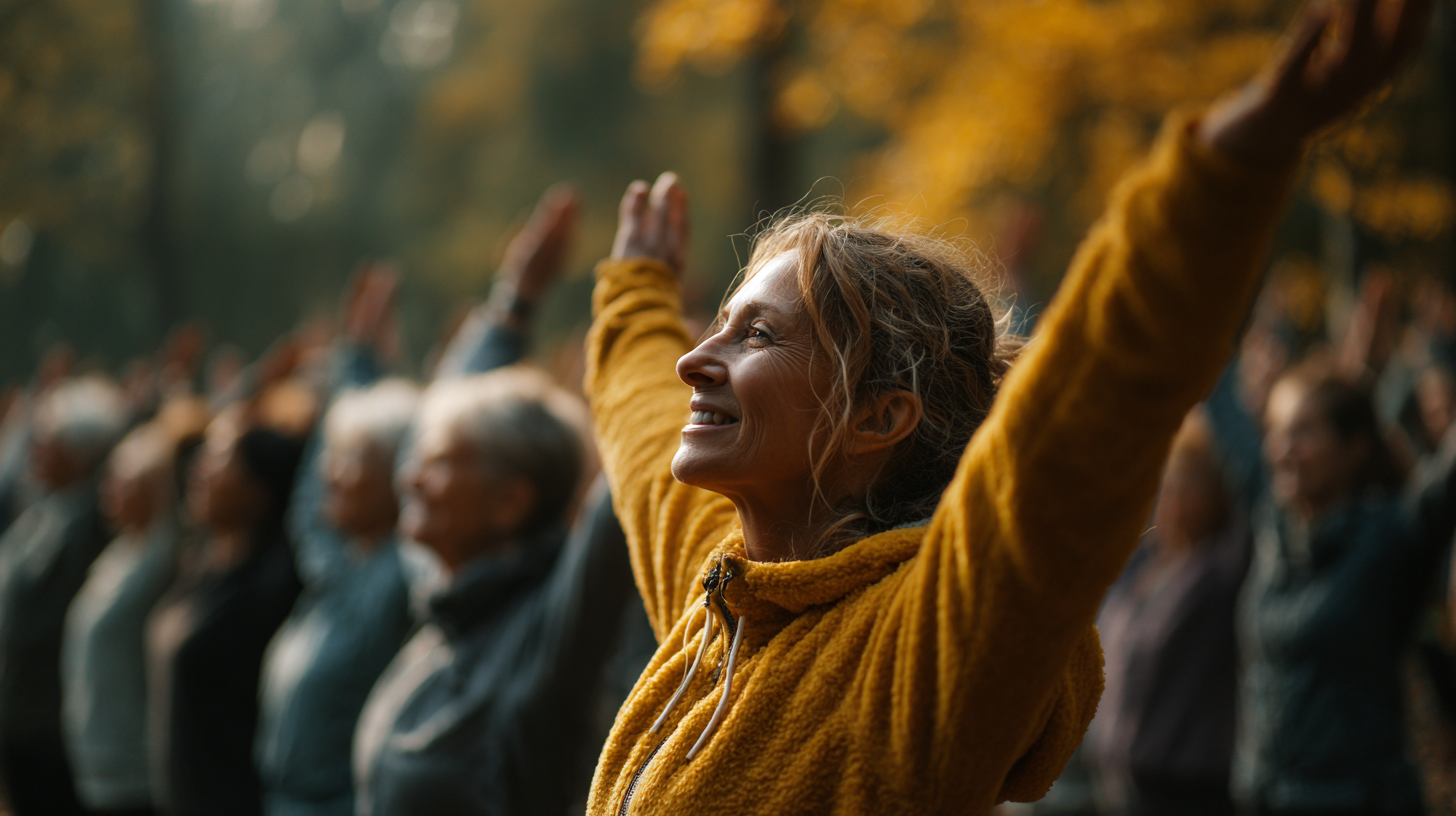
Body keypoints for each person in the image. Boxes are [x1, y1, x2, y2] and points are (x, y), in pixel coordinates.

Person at [578, 2, 1431, 813]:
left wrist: (1222, 175)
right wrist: (635, 299)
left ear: (880, 416)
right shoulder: (729, 588)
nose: (696, 360)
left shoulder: (917, 657)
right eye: (714, 328)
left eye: (754, 334)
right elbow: (645, 437)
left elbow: (1075, 438)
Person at [256, 186, 580, 816]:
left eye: (357, 464)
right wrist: (353, 366)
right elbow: (313, 498)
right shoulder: (344, 567)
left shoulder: (409, 578)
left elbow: (434, 435)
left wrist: (513, 304)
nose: (333, 479)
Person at [353, 369, 637, 816]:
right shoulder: (448, 608)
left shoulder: (548, 638)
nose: (409, 479)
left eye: (438, 462)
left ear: (509, 502)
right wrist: (511, 307)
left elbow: (627, 478)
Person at [1232, 363, 1452, 816]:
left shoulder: (1389, 538)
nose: (1280, 450)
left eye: (1302, 433)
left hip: (1356, 797)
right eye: (1275, 431)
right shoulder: (1272, 531)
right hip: (1264, 794)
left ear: (1354, 448)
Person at [147, 401, 307, 816]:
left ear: (258, 493)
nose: (198, 470)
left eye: (220, 460)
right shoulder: (203, 569)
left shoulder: (267, 597)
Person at [1089, 410, 1250, 816]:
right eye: (1166, 481)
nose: (1172, 494)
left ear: (1216, 491)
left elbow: (1251, 474)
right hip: (1120, 787)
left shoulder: (1222, 569)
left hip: (1189, 793)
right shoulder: (1140, 564)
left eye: (1187, 482)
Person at [61, 407, 205, 816]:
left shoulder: (160, 559)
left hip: (134, 775)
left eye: (123, 481)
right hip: (94, 766)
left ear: (156, 490)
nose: (108, 490)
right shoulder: (119, 554)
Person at [0, 375, 129, 816]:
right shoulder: (45, 507)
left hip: (51, 728)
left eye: (46, 440)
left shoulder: (94, 520)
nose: (34, 449)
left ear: (79, 454)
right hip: (20, 718)